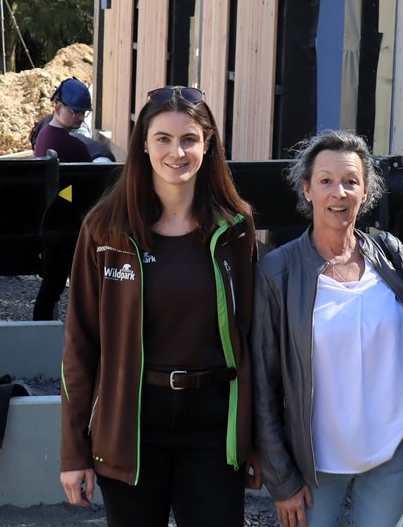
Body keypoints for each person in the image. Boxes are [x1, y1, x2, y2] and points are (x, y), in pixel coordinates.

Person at [60, 86, 261, 525]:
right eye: (163, 139)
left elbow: (252, 339)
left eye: (189, 139)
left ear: (208, 144)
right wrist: (74, 453)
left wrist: (256, 440)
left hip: (214, 427)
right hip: (131, 424)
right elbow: (79, 347)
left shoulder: (235, 227)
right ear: (143, 145)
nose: (177, 152)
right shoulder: (105, 229)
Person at [252, 129, 403, 527]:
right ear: (307, 189)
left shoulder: (390, 253)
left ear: (366, 191)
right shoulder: (277, 272)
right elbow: (263, 383)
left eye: (351, 181)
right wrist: (281, 480)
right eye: (326, 181)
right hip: (314, 463)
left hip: (395, 451)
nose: (339, 192)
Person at [32, 78, 103, 321]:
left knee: (51, 288)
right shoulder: (73, 146)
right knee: (88, 287)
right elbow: (88, 189)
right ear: (57, 106)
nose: (80, 118)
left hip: (50, 223)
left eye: (83, 113)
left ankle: (40, 332)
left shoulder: (44, 134)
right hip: (69, 228)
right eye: (75, 112)